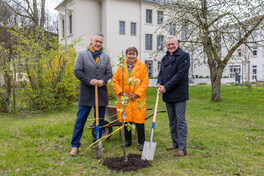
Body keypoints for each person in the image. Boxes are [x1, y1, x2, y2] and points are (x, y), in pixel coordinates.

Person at [70, 33, 113, 156]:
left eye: (100, 42)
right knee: (80, 120)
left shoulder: (106, 56)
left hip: (100, 93)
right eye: (96, 41)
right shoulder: (82, 54)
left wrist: (102, 81)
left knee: (99, 121)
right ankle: (75, 145)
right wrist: (89, 80)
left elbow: (109, 73)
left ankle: (97, 142)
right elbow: (77, 71)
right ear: (91, 41)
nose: (98, 44)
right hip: (86, 93)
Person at [157, 35, 190, 157]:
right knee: (172, 121)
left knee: (180, 121)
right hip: (168, 95)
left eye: (172, 44)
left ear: (177, 44)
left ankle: (182, 148)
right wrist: (159, 82)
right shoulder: (165, 58)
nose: (170, 46)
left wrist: (166, 87)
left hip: (179, 94)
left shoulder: (184, 56)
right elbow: (161, 73)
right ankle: (175, 143)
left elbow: (180, 75)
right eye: (168, 45)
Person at [112, 47, 149, 151]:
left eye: (133, 54)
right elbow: (115, 81)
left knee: (139, 120)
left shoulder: (142, 66)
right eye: (129, 54)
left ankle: (142, 142)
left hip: (137, 99)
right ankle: (128, 141)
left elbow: (145, 82)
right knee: (126, 119)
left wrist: (136, 94)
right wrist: (120, 92)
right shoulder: (121, 67)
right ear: (126, 55)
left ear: (136, 55)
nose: (131, 56)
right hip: (125, 98)